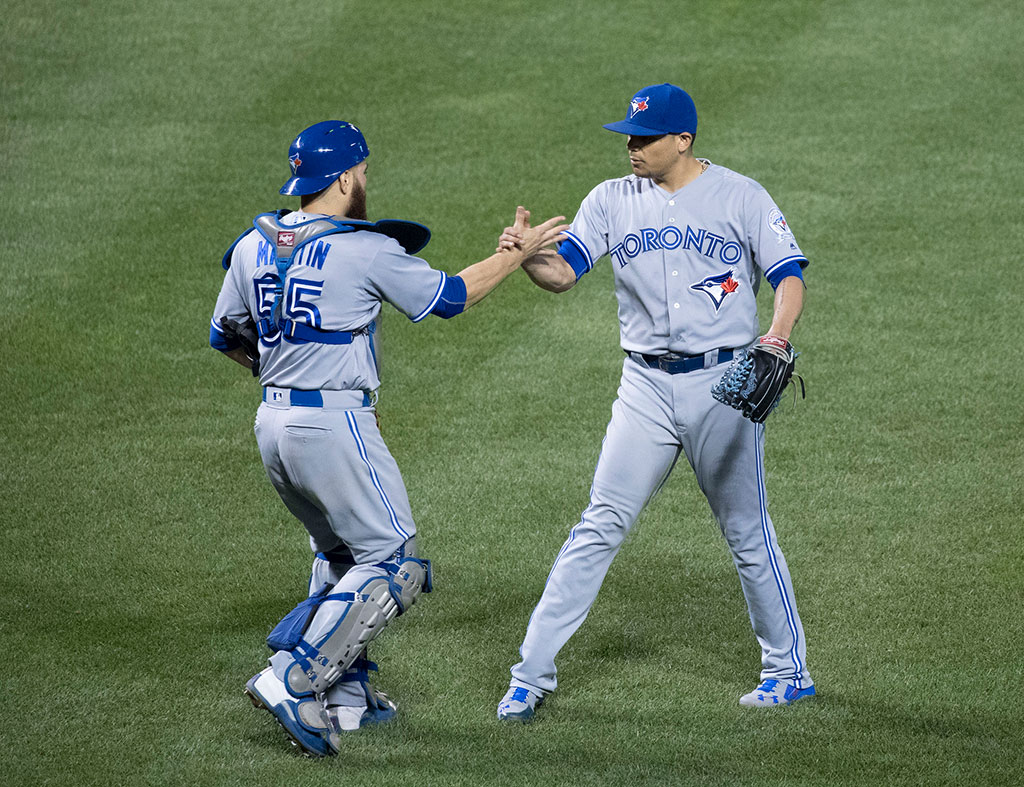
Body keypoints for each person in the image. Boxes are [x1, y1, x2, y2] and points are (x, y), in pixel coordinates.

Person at [210, 120, 567, 755]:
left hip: (272, 423)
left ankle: (343, 699)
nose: (366, 183)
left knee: (342, 554)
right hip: (333, 424)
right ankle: (295, 680)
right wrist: (517, 251)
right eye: (365, 173)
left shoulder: (252, 245)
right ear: (345, 177)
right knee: (393, 561)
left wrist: (292, 376)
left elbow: (228, 337)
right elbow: (454, 297)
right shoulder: (363, 249)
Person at [495, 84, 814, 721]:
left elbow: (789, 276)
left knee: (746, 530)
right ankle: (530, 675)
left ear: (683, 140)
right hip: (642, 387)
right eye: (629, 137)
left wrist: (775, 336)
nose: (632, 148)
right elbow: (563, 276)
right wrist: (526, 258)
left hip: (723, 387)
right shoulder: (610, 200)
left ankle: (788, 670)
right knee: (599, 523)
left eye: (644, 138)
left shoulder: (741, 196)